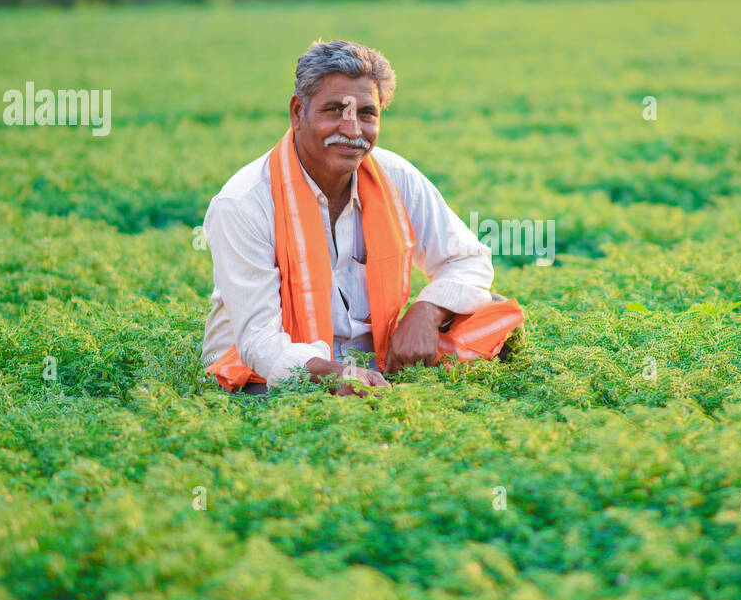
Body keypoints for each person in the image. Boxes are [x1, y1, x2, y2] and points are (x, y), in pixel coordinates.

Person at [201, 39, 525, 397]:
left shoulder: (393, 175)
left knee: (493, 314)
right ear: (297, 112)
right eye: (335, 110)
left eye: (367, 113)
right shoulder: (244, 202)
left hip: (376, 362)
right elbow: (260, 342)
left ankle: (383, 387)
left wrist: (428, 311)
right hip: (275, 370)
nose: (352, 130)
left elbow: (468, 259)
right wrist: (334, 376)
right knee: (279, 391)